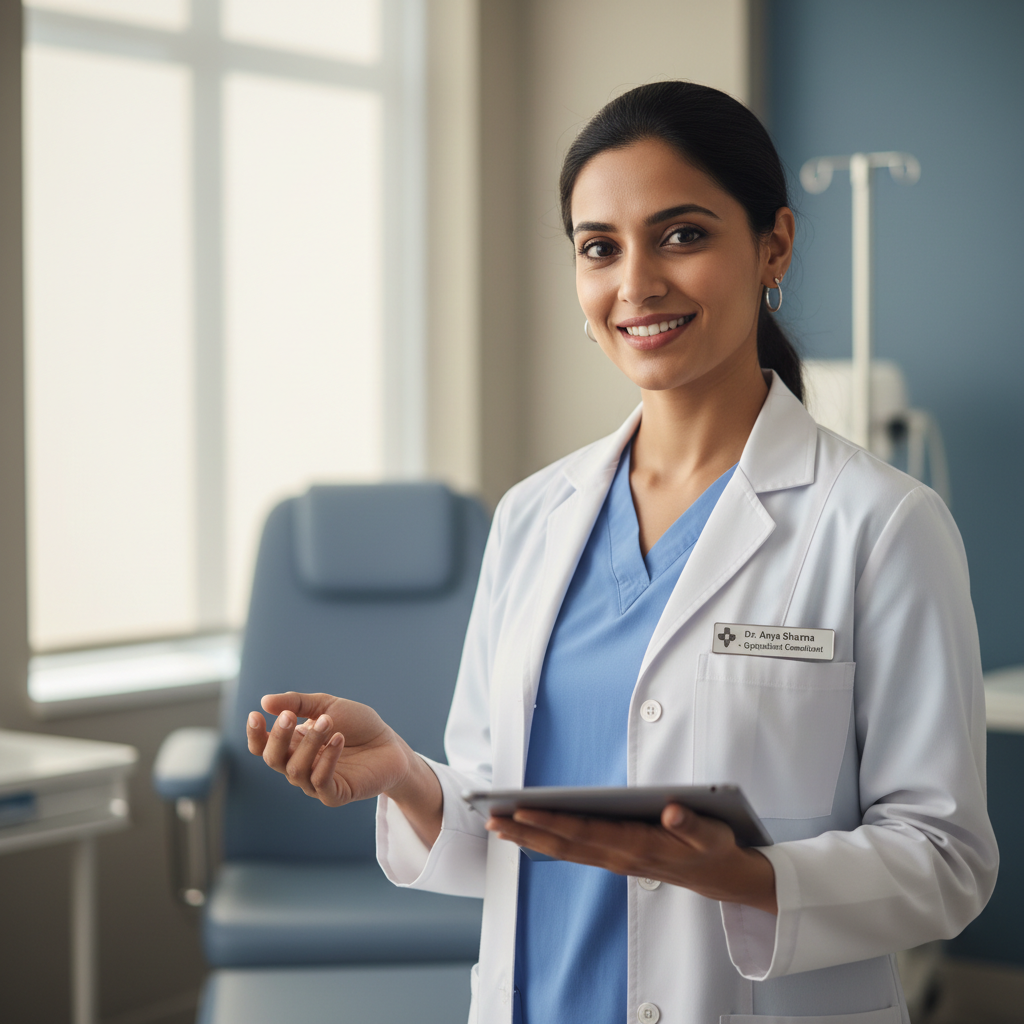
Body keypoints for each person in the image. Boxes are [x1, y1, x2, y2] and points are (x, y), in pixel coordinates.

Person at [246, 82, 997, 1024]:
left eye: (682, 235)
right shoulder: (532, 516)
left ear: (774, 246)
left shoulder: (882, 525)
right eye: (600, 247)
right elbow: (501, 823)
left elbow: (948, 858)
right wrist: (405, 775)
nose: (635, 283)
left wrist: (755, 878)